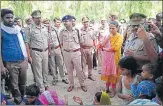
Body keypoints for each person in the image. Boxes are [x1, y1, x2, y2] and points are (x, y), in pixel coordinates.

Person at [1, 9, 28, 104]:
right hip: (9, 62)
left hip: (22, 59)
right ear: (2, 18)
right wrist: (2, 66)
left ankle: (22, 96)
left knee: (23, 82)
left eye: (11, 17)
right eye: (7, 18)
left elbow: (24, 44)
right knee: (14, 84)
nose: (10, 20)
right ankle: (18, 100)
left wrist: (26, 58)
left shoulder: (18, 29)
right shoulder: (1, 31)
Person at [59, 15, 87, 92]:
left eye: (66, 21)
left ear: (71, 21)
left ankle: (82, 84)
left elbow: (81, 42)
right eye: (64, 21)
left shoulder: (77, 31)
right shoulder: (61, 32)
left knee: (79, 69)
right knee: (69, 70)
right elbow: (61, 43)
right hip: (66, 53)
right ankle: (71, 85)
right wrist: (64, 51)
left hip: (76, 52)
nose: (65, 23)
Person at [25, 10, 50, 91]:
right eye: (36, 18)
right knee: (38, 71)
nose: (39, 19)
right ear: (32, 18)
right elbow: (27, 43)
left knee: (45, 70)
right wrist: (29, 56)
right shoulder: (29, 29)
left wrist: (48, 50)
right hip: (36, 52)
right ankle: (41, 88)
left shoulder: (44, 27)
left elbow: (47, 40)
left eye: (40, 17)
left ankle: (46, 84)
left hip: (45, 51)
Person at [97, 21, 123, 97]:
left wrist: (105, 49)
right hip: (107, 59)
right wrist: (107, 38)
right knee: (107, 74)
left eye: (113, 28)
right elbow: (100, 45)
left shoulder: (119, 37)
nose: (111, 30)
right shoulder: (107, 36)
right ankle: (107, 88)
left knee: (113, 74)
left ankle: (113, 91)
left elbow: (115, 48)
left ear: (117, 28)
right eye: (110, 28)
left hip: (115, 59)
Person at [48, 17, 69, 85]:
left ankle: (63, 78)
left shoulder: (62, 29)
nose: (58, 24)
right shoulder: (49, 30)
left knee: (61, 64)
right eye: (57, 22)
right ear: (54, 22)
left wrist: (61, 49)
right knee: (53, 65)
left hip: (58, 49)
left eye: (59, 22)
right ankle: (55, 78)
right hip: (51, 50)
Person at [80, 16, 96, 81]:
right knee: (83, 63)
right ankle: (83, 75)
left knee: (90, 62)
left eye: (87, 21)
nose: (85, 23)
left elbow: (94, 40)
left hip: (90, 49)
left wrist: (95, 48)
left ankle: (90, 75)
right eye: (84, 22)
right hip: (83, 49)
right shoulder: (80, 30)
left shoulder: (92, 30)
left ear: (88, 22)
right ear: (82, 22)